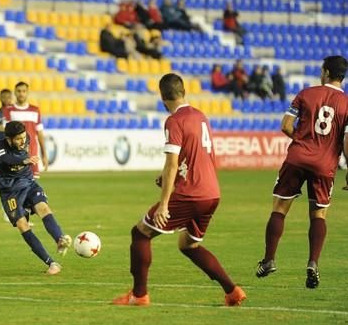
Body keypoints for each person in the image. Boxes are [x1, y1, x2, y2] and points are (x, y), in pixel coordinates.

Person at [112, 73, 246, 307]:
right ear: (183, 92)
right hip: (212, 193)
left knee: (141, 232)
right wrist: (166, 179)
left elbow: (172, 162)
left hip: (191, 194)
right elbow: (193, 157)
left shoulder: (173, 121)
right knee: (188, 245)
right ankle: (232, 291)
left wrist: (164, 203)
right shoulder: (200, 116)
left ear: (163, 98)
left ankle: (139, 295)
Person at [256, 56, 348, 289]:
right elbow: (346, 140)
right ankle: (313, 263)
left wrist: (302, 142)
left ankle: (269, 260)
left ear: (326, 72)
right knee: (318, 215)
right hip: (325, 165)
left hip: (297, 158)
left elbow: (285, 125)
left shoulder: (306, 94)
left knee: (279, 208)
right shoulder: (346, 104)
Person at [0, 120, 72, 275]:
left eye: (23, 137)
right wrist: (24, 160)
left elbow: (24, 149)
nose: (23, 141)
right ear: (8, 139)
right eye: (18, 139)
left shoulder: (26, 137)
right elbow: (7, 160)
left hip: (28, 182)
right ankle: (51, 263)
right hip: (9, 189)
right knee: (23, 225)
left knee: (44, 207)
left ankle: (60, 240)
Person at [3, 81, 47, 179]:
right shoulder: (9, 110)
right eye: (19, 91)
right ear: (15, 93)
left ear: (27, 93)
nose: (21, 93)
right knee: (16, 189)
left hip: (32, 155)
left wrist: (44, 155)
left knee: (31, 189)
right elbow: (5, 135)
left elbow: (40, 134)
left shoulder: (35, 110)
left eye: (24, 91)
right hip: (16, 156)